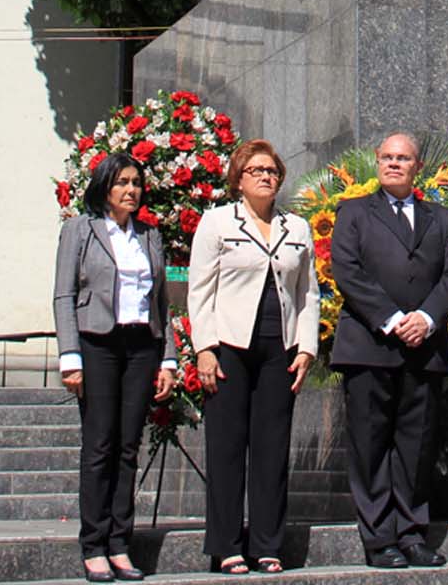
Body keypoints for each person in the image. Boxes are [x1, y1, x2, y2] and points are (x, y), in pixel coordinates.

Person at [329, 133, 448, 569]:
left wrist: (425, 319)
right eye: (387, 157)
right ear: (376, 162)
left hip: (423, 349)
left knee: (416, 446)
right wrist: (391, 318)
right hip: (370, 345)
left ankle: (411, 534)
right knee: (370, 445)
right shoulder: (353, 212)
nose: (393, 164)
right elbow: (346, 270)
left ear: (417, 166)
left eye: (402, 158)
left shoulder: (441, 219)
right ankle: (378, 539)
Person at [188, 139, 319, 574]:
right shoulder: (217, 222)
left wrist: (306, 347)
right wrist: (204, 348)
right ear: (239, 179)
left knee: (271, 448)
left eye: (273, 171)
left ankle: (267, 543)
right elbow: (200, 291)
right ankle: (225, 544)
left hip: (276, 349)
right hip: (229, 346)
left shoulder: (295, 228)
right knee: (226, 447)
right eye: (257, 170)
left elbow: (308, 293)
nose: (266, 176)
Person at [54, 152, 177, 583]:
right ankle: (94, 544)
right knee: (100, 445)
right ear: (105, 187)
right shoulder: (81, 230)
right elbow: (64, 295)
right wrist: (70, 356)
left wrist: (169, 357)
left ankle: (120, 543)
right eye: (122, 182)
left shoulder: (148, 234)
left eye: (136, 183)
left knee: (128, 446)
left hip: (142, 344)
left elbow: (161, 300)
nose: (131, 190)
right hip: (97, 344)